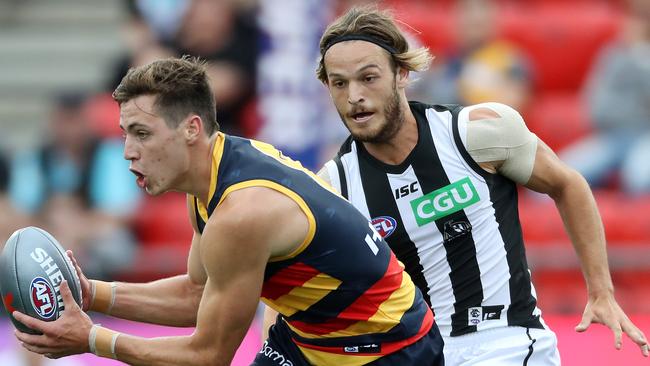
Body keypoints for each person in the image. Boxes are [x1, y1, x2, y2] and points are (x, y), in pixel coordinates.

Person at [266, 6, 649, 365]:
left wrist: (601, 291)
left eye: (368, 77)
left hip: (510, 343)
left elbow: (568, 185)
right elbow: (291, 283)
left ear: (401, 73)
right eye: (339, 83)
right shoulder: (334, 186)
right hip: (419, 354)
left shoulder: (476, 132)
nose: (354, 97)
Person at [11, 56, 443, 366]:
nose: (128, 152)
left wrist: (90, 338)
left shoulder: (240, 213)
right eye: (126, 134)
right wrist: (92, 294)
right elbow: (196, 295)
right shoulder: (212, 171)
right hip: (312, 336)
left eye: (142, 134)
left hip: (386, 349)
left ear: (191, 129)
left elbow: (209, 354)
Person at [560, 0, 650, 194]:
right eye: (636, 17)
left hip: (646, 137)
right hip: (611, 137)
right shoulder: (612, 55)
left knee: (640, 179)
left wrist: (642, 56)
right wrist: (638, 108)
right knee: (558, 179)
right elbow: (597, 110)